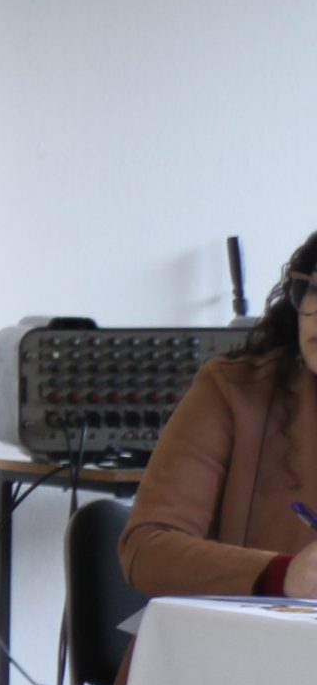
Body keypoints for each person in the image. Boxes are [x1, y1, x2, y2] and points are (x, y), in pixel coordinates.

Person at [121, 229, 317, 601]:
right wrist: (285, 575)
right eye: (314, 291)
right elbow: (146, 550)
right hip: (245, 635)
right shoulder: (232, 390)